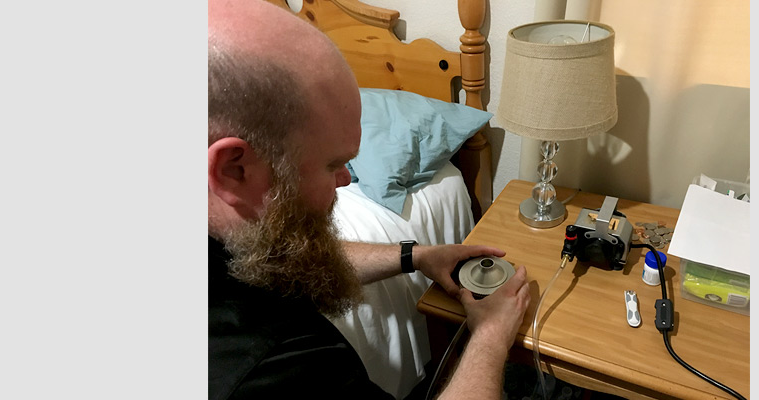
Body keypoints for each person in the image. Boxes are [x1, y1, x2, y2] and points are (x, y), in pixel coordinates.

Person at [207, 0, 531, 399]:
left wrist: (417, 255)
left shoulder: (226, 235)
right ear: (234, 169)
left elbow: (285, 259)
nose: (346, 181)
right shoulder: (276, 363)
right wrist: (492, 335)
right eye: (333, 165)